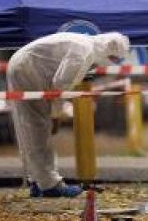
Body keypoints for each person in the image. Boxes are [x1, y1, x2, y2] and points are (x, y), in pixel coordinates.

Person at [7, 32, 130, 198]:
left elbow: (58, 85)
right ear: (109, 52)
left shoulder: (85, 45)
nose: (112, 63)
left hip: (24, 66)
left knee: (28, 127)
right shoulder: (83, 52)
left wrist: (55, 113)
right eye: (115, 59)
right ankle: (50, 185)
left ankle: (36, 181)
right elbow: (59, 86)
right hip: (28, 70)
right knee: (38, 128)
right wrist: (56, 115)